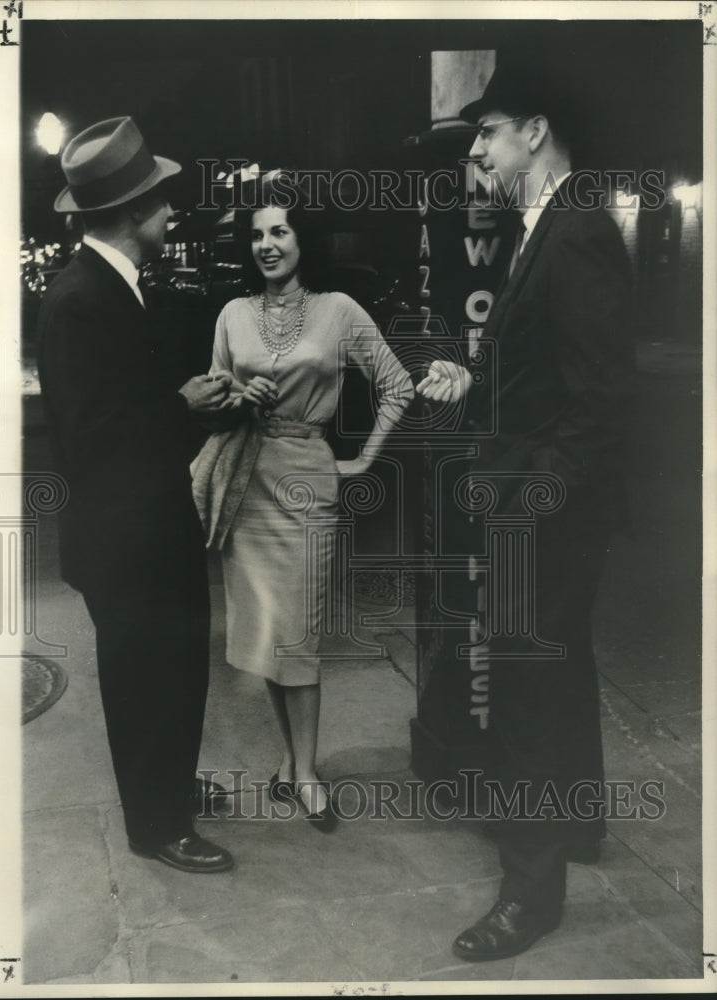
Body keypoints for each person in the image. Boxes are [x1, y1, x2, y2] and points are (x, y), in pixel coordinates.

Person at [417, 60, 633, 958]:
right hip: (546, 504)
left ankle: (530, 894)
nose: (478, 150)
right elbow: (548, 378)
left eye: (489, 131)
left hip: (543, 516)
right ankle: (577, 826)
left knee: (526, 692)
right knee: (561, 670)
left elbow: (597, 406)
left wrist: (533, 504)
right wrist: (475, 379)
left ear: (534, 133)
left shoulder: (573, 230)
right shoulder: (547, 224)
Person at [37, 116, 234, 874]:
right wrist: (182, 405)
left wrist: (195, 401)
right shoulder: (81, 299)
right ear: (130, 215)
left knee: (175, 666)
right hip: (127, 541)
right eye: (161, 202)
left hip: (145, 529)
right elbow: (93, 439)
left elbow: (124, 408)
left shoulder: (109, 288)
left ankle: (171, 787)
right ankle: (157, 826)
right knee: (146, 677)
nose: (171, 213)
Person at [192, 175, 414, 830]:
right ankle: (292, 762)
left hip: (308, 481)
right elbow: (211, 401)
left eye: (280, 231)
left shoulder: (339, 310)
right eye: (257, 234)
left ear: (302, 239)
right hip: (247, 484)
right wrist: (237, 396)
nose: (267, 244)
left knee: (302, 633)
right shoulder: (233, 314)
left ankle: (307, 771)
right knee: (267, 636)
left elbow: (397, 385)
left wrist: (364, 458)